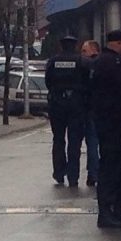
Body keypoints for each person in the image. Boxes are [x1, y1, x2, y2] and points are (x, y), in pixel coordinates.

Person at [92, 30, 121, 228]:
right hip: (111, 121)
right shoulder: (111, 62)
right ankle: (107, 211)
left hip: (112, 121)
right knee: (111, 167)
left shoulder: (106, 61)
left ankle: (118, 208)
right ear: (119, 43)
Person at [45, 36, 89, 188]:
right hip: (76, 104)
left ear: (61, 46)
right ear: (75, 46)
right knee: (74, 142)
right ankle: (73, 176)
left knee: (58, 139)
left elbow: (48, 82)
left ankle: (59, 173)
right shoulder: (81, 61)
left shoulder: (53, 61)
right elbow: (87, 82)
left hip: (57, 104)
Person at [80, 40, 101, 187]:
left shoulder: (88, 65)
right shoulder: (104, 63)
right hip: (101, 108)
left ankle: (93, 173)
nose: (82, 54)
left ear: (93, 50)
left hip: (90, 108)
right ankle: (95, 172)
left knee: (92, 142)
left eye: (84, 51)